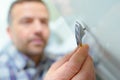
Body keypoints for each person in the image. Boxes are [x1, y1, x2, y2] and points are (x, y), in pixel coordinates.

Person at [0, 0, 95, 80]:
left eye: (44, 22)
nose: (39, 29)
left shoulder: (58, 60)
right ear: (10, 32)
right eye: (27, 22)